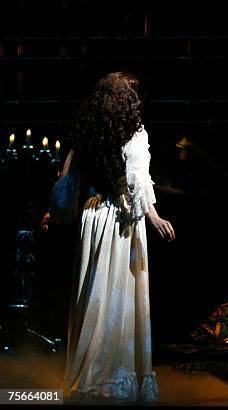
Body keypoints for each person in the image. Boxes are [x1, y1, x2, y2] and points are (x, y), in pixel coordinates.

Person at [45, 72, 175, 403]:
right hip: (120, 222)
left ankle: (91, 374)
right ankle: (113, 375)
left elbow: (66, 184)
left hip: (92, 218)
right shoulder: (134, 135)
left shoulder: (86, 133)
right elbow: (137, 183)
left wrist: (57, 215)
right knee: (119, 299)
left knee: (94, 296)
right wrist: (155, 216)